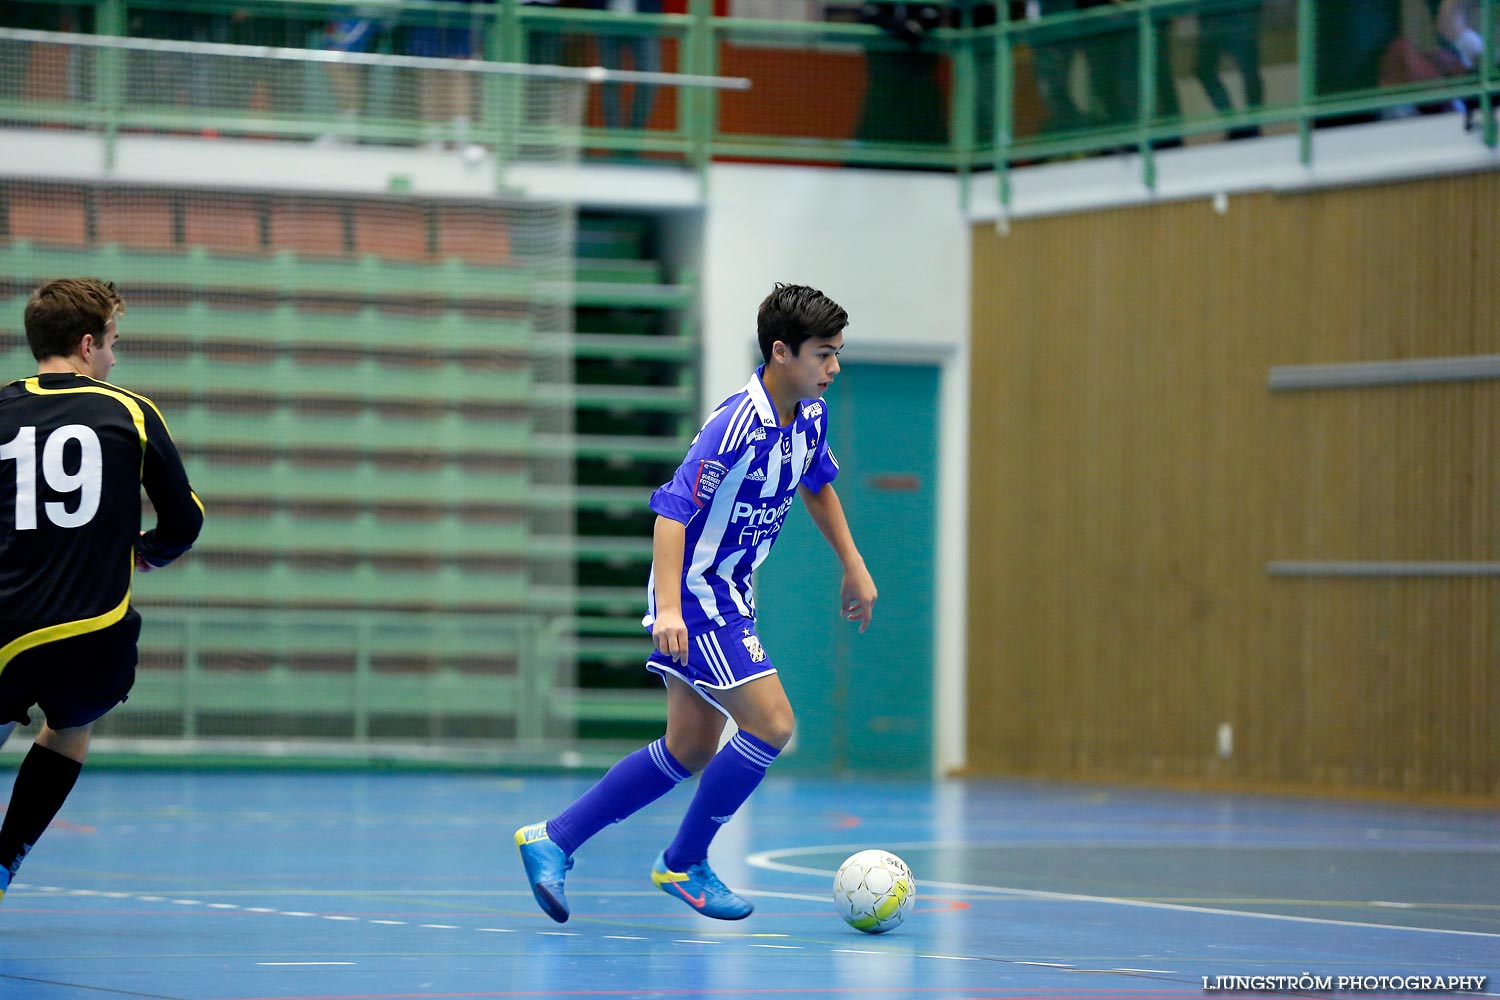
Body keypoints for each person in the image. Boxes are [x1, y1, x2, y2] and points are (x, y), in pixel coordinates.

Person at [515, 283, 878, 922]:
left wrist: (853, 564)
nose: (834, 367)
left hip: (729, 589)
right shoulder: (735, 425)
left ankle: (554, 839)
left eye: (836, 353)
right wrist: (675, 611)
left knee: (689, 747)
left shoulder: (810, 418)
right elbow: (671, 511)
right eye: (824, 354)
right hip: (698, 593)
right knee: (772, 724)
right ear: (780, 352)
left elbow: (817, 484)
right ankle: (684, 862)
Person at [0, 279, 204, 905]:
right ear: (88, 345)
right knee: (69, 728)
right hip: (93, 628)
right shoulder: (131, 412)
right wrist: (142, 554)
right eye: (113, 344)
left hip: (4, 626)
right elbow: (185, 521)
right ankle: (5, 863)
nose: (114, 358)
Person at [1193, 1, 1264, 140]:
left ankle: (1252, 126)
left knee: (1248, 69)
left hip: (1238, 11)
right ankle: (1236, 125)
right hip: (1211, 13)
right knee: (1205, 70)